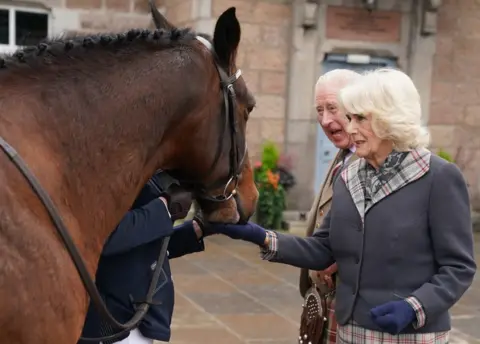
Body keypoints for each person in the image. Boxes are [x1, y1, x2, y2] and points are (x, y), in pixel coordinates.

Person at [206, 68, 477, 343]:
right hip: (350, 332)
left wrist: (415, 307)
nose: (350, 128)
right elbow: (324, 249)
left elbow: (458, 267)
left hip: (411, 337)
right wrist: (260, 236)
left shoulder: (438, 177)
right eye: (350, 118)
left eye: (359, 118)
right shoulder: (348, 175)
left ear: (390, 119)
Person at [78, 171, 207, 344]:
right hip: (111, 323)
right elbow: (104, 236)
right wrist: (164, 209)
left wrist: (195, 231)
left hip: (133, 321)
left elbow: (142, 246)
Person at [298, 69, 360, 344]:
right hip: (322, 298)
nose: (325, 120)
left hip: (351, 305)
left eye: (332, 108)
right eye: (319, 110)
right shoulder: (343, 154)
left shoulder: (375, 162)